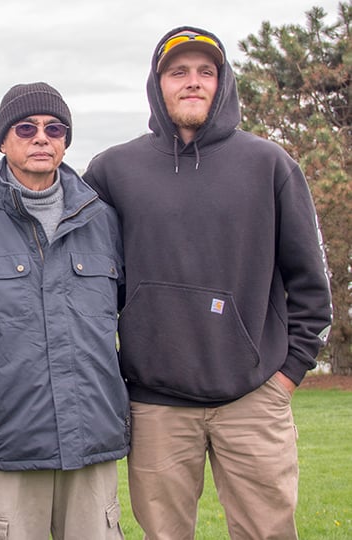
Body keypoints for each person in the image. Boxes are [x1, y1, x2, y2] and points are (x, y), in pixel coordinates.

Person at [83, 26, 333, 539]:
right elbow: (83, 273)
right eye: (178, 72)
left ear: (223, 83)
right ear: (157, 84)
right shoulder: (113, 171)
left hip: (254, 398)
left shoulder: (270, 166)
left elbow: (311, 284)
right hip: (156, 404)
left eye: (206, 72)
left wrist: (287, 375)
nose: (192, 82)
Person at [0, 82, 129, 539]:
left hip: (91, 445)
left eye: (54, 128)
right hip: (8, 450)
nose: (41, 137)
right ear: (3, 140)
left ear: (65, 141)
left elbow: (135, 323)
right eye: (26, 128)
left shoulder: (103, 222)